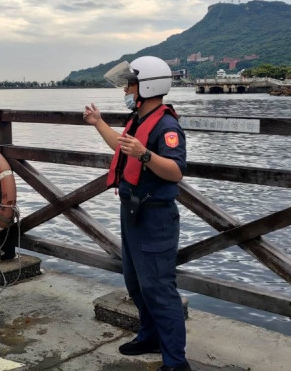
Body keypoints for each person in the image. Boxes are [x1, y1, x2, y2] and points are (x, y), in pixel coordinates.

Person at [83, 56, 191, 371]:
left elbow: (175, 171)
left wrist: (145, 154)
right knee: (135, 281)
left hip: (155, 216)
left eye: (130, 83)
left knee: (158, 287)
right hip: (131, 211)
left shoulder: (167, 125)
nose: (126, 90)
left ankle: (175, 361)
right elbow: (122, 146)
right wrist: (98, 122)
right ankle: (150, 336)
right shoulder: (140, 118)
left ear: (147, 85)